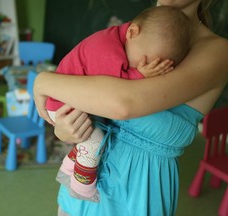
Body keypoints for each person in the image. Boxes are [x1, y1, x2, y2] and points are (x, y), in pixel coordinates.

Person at [33, 0, 228, 215]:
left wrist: (44, 82)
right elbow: (86, 103)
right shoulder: (132, 31)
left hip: (137, 194)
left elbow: (122, 104)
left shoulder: (217, 51)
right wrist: (65, 131)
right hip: (81, 184)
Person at [46, 5, 192, 202]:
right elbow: (115, 87)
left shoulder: (123, 39)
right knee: (94, 140)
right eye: (145, 60)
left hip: (73, 100)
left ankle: (69, 166)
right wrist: (140, 75)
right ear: (132, 32)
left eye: (156, 67)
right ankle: (82, 189)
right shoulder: (107, 49)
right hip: (62, 103)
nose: (144, 67)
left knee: (94, 134)